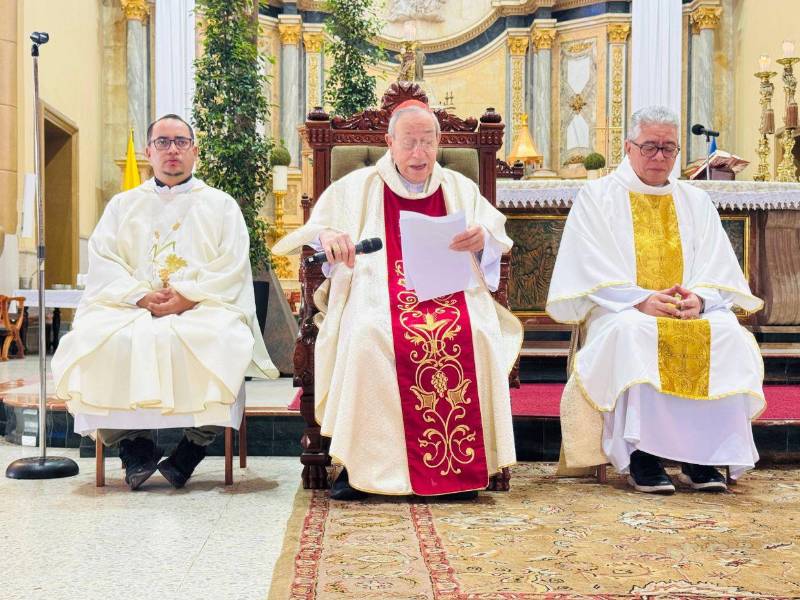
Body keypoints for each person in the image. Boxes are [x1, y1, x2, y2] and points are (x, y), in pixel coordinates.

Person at [273, 100, 522, 500]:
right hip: (375, 288)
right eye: (409, 142)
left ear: (440, 142)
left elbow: (495, 236)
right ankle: (366, 470)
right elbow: (317, 229)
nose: (419, 153)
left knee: (475, 332)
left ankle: (462, 467)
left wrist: (483, 241)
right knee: (369, 334)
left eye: (427, 142)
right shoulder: (359, 186)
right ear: (390, 142)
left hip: (450, 293)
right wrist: (330, 239)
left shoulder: (459, 188)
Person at [52, 114, 277, 490]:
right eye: (163, 142)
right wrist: (138, 295)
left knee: (222, 339)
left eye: (180, 142)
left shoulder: (221, 206)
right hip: (132, 306)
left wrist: (187, 297)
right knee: (92, 340)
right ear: (148, 152)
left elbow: (232, 265)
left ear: (195, 150)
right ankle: (131, 446)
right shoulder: (123, 206)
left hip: (201, 306)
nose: (172, 150)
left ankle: (193, 446)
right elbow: (103, 260)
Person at [548, 105, 764, 494]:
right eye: (649, 147)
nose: (659, 157)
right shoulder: (599, 197)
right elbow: (589, 266)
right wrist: (641, 300)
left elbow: (717, 263)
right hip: (623, 309)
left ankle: (703, 457)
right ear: (628, 147)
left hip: (687, 311)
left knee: (727, 333)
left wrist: (700, 298)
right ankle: (642, 457)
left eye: (668, 148)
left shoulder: (695, 201)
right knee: (635, 333)